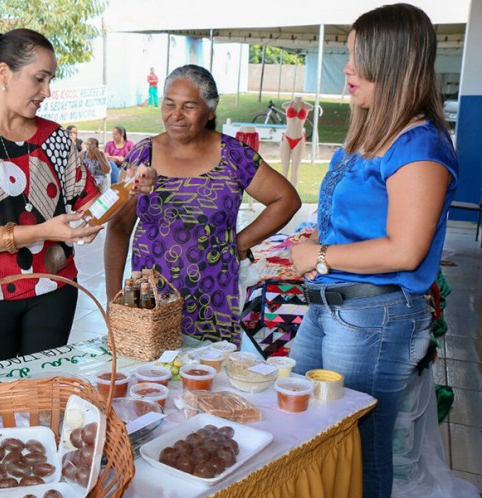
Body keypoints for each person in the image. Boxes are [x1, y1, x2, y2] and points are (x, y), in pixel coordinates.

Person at [287, 5, 458, 497]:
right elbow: (359, 226)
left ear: (392, 62)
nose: (347, 67)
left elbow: (405, 251)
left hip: (374, 315)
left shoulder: (419, 145)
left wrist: (322, 258)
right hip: (334, 306)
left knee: (360, 447)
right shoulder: (369, 135)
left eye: (358, 56)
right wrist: (319, 247)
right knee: (308, 430)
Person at [0, 28, 155, 369]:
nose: (47, 91)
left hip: (54, 288)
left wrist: (127, 189)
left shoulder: (56, 138)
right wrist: (41, 232)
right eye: (39, 79)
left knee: (44, 395)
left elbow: (88, 216)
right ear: (4, 73)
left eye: (50, 80)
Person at [105, 64, 301, 343]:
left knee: (209, 380)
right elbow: (118, 228)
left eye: (189, 106)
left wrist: (240, 243)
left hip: (215, 297)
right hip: (148, 298)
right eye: (169, 104)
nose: (176, 115)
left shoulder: (233, 155)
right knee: (149, 379)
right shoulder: (143, 154)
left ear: (210, 110)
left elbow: (286, 199)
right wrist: (114, 305)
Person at [279, 96, 312, 185]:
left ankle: (293, 195)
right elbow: (283, 105)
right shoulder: (286, 105)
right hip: (287, 138)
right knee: (284, 169)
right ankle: (281, 194)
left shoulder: (308, 107)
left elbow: (311, 108)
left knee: (295, 170)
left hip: (299, 140)